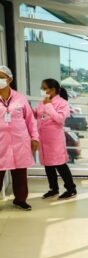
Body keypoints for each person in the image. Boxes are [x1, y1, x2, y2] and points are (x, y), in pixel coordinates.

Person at [0, 65, 39, 211]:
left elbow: (30, 120)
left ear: (9, 79)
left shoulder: (20, 98)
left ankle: (20, 200)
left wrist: (35, 138)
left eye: (2, 77)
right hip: (1, 142)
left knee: (20, 173)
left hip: (20, 141)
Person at [34, 78, 77, 199]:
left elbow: (59, 119)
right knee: (48, 165)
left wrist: (48, 105)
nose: (42, 90)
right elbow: (37, 114)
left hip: (55, 140)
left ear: (53, 90)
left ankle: (71, 189)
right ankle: (53, 189)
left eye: (44, 88)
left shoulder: (63, 103)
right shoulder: (43, 102)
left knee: (60, 164)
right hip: (43, 138)